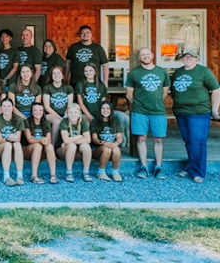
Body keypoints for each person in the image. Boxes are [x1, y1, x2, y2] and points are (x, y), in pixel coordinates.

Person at [170, 48, 220, 183]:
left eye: (191, 56)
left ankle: (199, 172)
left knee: (197, 142)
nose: (188, 58)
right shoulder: (178, 72)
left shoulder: (203, 71)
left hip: (199, 113)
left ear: (196, 58)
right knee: (189, 142)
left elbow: (216, 90)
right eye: (186, 56)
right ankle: (191, 168)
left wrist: (214, 109)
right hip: (181, 112)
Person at [126, 47, 170, 180]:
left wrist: (155, 102)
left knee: (158, 139)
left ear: (152, 55)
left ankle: (158, 167)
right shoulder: (134, 73)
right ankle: (143, 167)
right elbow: (129, 94)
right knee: (141, 138)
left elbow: (165, 92)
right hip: (140, 111)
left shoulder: (162, 71)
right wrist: (139, 105)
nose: (145, 56)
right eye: (142, 55)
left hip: (158, 111)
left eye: (147, 54)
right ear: (139, 58)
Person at [0, 98, 26, 186]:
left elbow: (18, 139)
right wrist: (8, 139)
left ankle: (19, 176)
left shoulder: (18, 119)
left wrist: (13, 139)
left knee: (17, 144)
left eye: (9, 106)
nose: (6, 108)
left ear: (13, 108)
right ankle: (6, 177)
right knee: (7, 144)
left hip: (12, 150)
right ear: (1, 108)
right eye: (4, 106)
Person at [56, 103, 93, 183]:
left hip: (77, 152)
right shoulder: (64, 122)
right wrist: (79, 136)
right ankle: (69, 172)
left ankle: (86, 172)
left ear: (80, 113)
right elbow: (66, 140)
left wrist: (71, 140)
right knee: (72, 146)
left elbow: (88, 139)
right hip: (63, 151)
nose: (73, 115)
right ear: (67, 113)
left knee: (86, 146)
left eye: (75, 112)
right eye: (70, 112)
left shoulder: (83, 122)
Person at [23, 102, 58, 184]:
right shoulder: (26, 121)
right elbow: (29, 140)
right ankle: (34, 176)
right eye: (35, 110)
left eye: (40, 110)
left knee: (49, 146)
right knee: (37, 146)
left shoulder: (46, 122)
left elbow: (49, 139)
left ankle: (53, 175)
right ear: (32, 112)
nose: (38, 112)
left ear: (43, 112)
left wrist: (46, 140)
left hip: (41, 150)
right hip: (28, 150)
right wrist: (41, 140)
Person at [91, 101, 124, 182]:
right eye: (103, 108)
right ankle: (101, 172)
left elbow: (120, 137)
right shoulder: (95, 121)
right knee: (107, 149)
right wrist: (104, 143)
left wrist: (115, 143)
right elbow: (94, 138)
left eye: (108, 108)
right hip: (98, 149)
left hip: (112, 146)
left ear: (111, 110)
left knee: (116, 149)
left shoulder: (115, 120)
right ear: (100, 110)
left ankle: (115, 172)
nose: (105, 110)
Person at [42, 65, 73, 146]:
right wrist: (59, 117)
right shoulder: (47, 88)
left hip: (65, 114)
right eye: (54, 73)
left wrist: (66, 116)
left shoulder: (68, 88)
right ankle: (52, 146)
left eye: (59, 73)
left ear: (63, 75)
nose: (56, 75)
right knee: (57, 122)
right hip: (50, 114)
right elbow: (47, 107)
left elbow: (70, 105)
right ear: (51, 76)